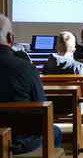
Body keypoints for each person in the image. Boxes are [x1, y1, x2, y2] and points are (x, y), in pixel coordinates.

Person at [0, 14, 62, 154]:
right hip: (20, 142)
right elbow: (42, 105)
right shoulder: (25, 68)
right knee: (56, 131)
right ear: (10, 37)